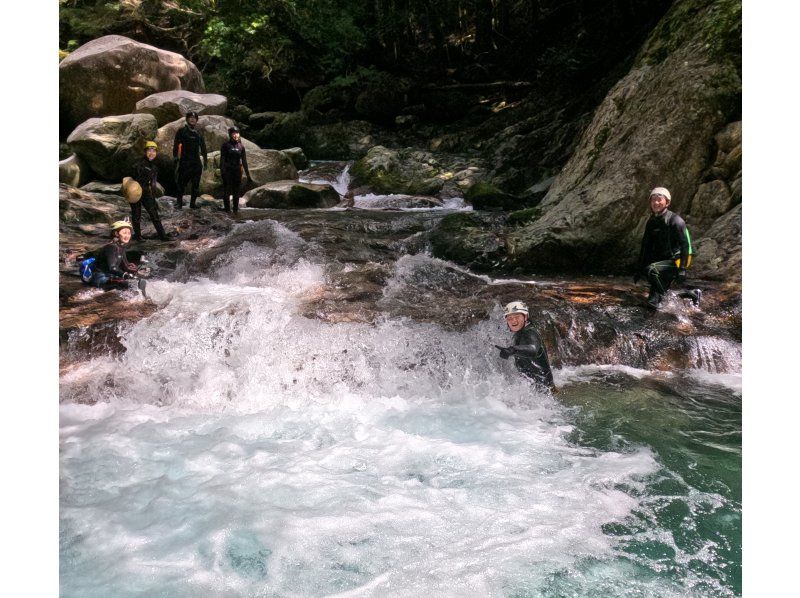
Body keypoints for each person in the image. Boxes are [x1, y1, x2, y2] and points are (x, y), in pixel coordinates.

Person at [633, 186, 701, 309]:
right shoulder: (651, 222)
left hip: (678, 259)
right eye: (653, 199)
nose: (656, 202)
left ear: (667, 202)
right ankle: (691, 294)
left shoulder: (675, 220)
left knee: (652, 270)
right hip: (663, 260)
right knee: (652, 304)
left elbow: (685, 245)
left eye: (659, 199)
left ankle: (671, 297)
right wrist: (639, 269)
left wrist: (682, 269)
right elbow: (645, 246)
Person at [496, 301, 556, 392]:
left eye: (517, 317)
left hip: (543, 389)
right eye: (510, 318)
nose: (514, 321)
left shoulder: (530, 332)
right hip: (534, 386)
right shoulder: (521, 331)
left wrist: (512, 350)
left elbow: (533, 349)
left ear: (526, 317)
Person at [78, 221, 145, 296]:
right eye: (124, 233)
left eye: (129, 233)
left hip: (111, 277)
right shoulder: (111, 247)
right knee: (125, 283)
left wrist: (135, 270)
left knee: (132, 282)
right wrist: (125, 275)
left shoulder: (121, 247)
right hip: (100, 278)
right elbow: (112, 268)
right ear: (116, 234)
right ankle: (139, 299)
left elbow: (125, 266)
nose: (127, 235)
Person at [131, 141, 169, 241]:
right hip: (135, 191)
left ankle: (163, 236)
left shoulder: (154, 167)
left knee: (154, 215)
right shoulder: (138, 163)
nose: (151, 153)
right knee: (136, 215)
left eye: (154, 151)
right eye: (149, 150)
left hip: (146, 192)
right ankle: (138, 236)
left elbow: (153, 183)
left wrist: (153, 197)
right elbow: (131, 176)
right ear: (145, 152)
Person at [173, 110, 208, 209]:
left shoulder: (198, 133)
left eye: (195, 118)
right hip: (185, 162)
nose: (193, 119)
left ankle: (192, 204)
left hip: (196, 163)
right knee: (181, 184)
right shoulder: (182, 131)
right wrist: (175, 157)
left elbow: (204, 148)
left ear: (196, 121)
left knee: (196, 185)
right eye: (191, 118)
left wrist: (205, 161)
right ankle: (179, 203)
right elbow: (176, 145)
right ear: (187, 119)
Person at [219, 126, 253, 213]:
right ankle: (227, 210)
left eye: (237, 133)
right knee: (227, 190)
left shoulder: (241, 146)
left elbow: (244, 161)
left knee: (236, 191)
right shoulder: (225, 145)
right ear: (230, 134)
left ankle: (235, 210)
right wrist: (222, 171)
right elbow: (222, 159)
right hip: (227, 171)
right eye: (234, 133)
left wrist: (248, 174)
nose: (236, 135)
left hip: (237, 171)